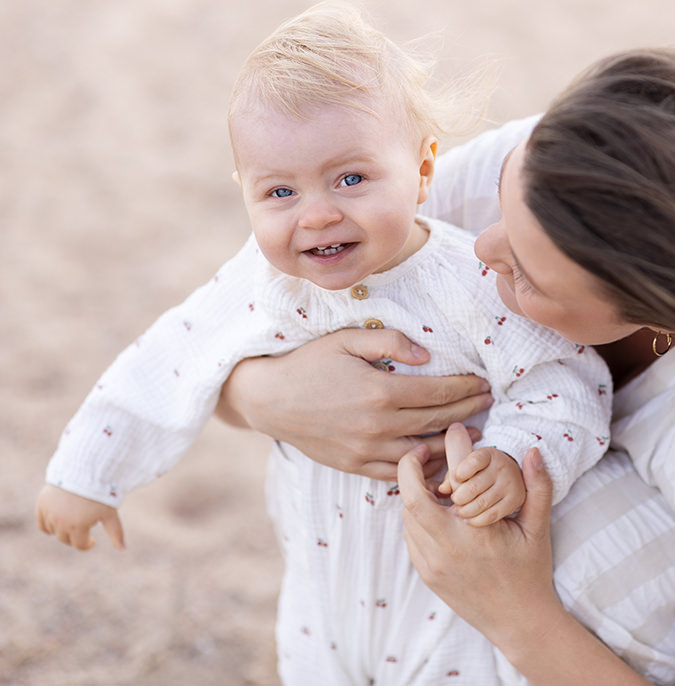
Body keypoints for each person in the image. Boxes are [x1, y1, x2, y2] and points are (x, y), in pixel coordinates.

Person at [218, 49, 675, 684]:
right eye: (505, 203)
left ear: (666, 314)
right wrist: (269, 396)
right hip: (380, 624)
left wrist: (514, 612)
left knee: (588, 529)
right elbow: (227, 313)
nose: (482, 245)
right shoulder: (555, 178)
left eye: (528, 278)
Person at [34, 4, 612, 684]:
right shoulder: (261, 282)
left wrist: (511, 456)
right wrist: (85, 473)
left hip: (448, 595)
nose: (317, 213)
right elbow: (170, 358)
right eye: (279, 191)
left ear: (423, 170)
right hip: (319, 591)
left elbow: (567, 381)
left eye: (350, 178)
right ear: (244, 196)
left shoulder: (471, 283)